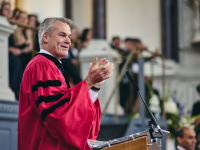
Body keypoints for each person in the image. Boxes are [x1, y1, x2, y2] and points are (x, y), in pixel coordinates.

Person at [18, 17, 114, 150]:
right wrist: (89, 81)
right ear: (45, 37)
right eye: (62, 35)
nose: (68, 41)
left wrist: (95, 86)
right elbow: (58, 115)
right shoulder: (41, 65)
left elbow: (71, 109)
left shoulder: (52, 66)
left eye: (69, 36)